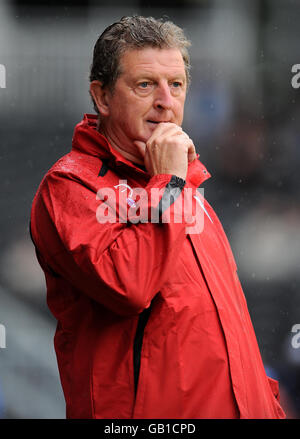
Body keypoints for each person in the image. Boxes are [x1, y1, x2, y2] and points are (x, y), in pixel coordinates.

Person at [30, 15, 286, 419]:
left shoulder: (190, 187)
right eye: (145, 85)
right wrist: (168, 182)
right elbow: (130, 286)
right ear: (102, 97)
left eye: (177, 85)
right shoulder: (70, 187)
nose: (166, 101)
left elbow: (231, 332)